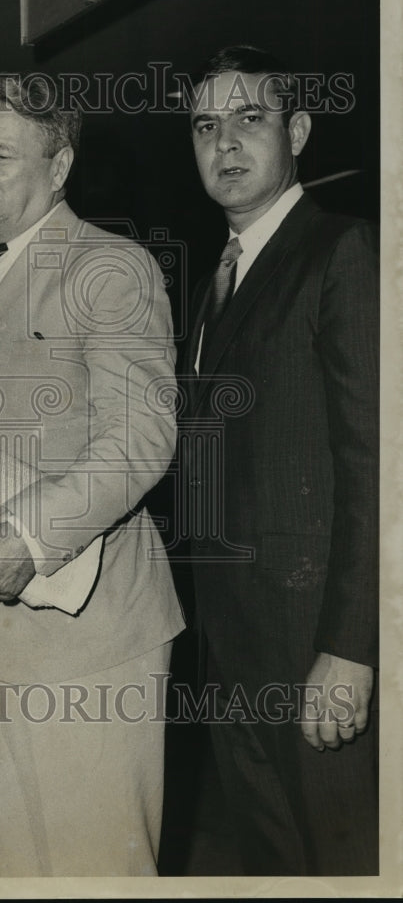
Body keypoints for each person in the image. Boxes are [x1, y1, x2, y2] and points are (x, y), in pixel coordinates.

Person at [0, 75, 184, 877]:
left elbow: (140, 438)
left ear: (58, 165)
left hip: (84, 644)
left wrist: (30, 534)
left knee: (96, 873)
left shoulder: (110, 267)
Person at [180, 45, 378, 875]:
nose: (223, 143)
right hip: (230, 646)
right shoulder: (213, 278)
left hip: (311, 648)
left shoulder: (342, 252)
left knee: (344, 861)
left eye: (248, 119)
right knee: (272, 865)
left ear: (296, 129)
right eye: (204, 125)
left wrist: (351, 648)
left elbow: (379, 466)